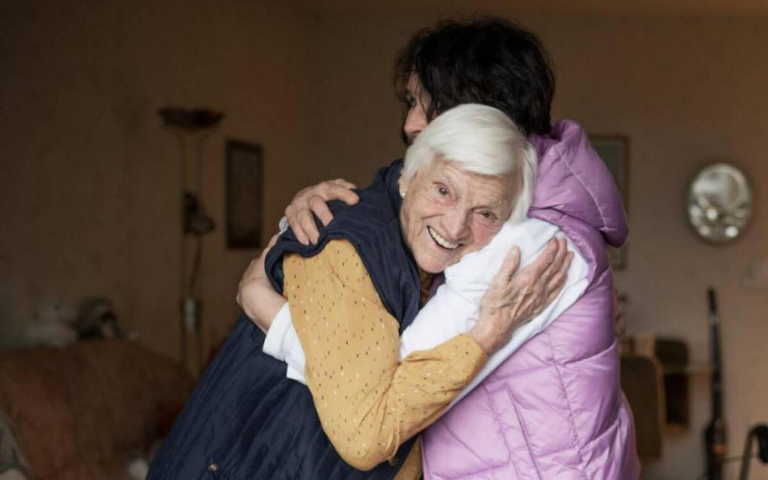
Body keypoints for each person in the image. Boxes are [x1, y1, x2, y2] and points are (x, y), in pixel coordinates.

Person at [250, 17, 640, 480]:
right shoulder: (531, 206)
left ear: (478, 116)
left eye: (425, 104)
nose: (409, 122)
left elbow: (381, 398)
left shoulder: (529, 243)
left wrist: (270, 314)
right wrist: (302, 209)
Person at [148, 104, 569, 480]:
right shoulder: (352, 251)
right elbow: (366, 437)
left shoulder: (437, 265)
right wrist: (487, 336)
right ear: (409, 178)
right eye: (443, 191)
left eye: (486, 213)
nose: (456, 227)